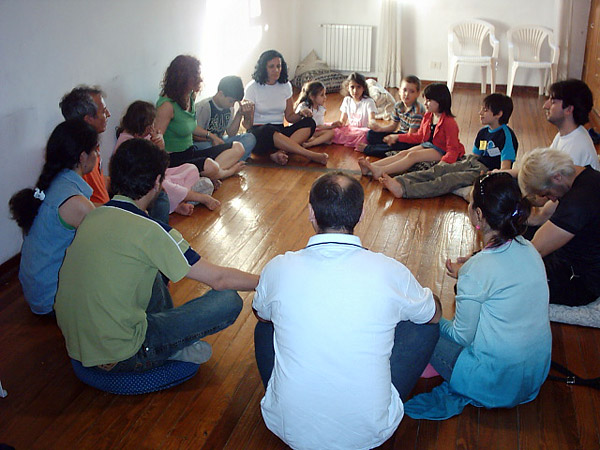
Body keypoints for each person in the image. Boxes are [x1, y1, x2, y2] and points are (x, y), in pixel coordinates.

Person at [253, 172, 441, 449]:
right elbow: (433, 315)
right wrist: (429, 298)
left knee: (265, 324)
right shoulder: (389, 271)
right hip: (371, 432)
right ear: (361, 214)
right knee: (424, 326)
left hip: (287, 427)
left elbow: (261, 314)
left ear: (311, 214)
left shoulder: (279, 267)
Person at [54, 138, 259, 372]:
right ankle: (171, 348)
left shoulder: (93, 215)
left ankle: (168, 339)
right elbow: (219, 279)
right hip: (122, 355)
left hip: (77, 344)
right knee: (228, 300)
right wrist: (264, 280)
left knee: (147, 268)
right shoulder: (153, 231)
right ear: (158, 182)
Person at [405, 173, 551, 420]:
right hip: (533, 375)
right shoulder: (529, 249)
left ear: (479, 215)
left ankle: (459, 376)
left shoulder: (478, 269)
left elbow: (461, 336)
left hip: (495, 382)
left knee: (419, 324)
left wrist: (432, 313)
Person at [9, 120, 98, 315]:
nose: (97, 155)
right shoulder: (76, 203)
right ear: (83, 157)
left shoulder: (54, 183)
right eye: (95, 150)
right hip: (51, 299)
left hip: (37, 291)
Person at [380, 93, 517, 199]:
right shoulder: (483, 132)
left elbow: (504, 169)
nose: (480, 113)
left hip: (485, 171)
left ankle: (404, 190)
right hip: (472, 162)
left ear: (499, 114)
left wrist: (488, 176)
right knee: (437, 170)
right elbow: (476, 155)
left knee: (447, 180)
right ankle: (398, 181)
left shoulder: (506, 136)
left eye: (485, 110)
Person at [518, 147, 600, 306]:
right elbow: (539, 217)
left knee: (505, 288)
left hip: (583, 280)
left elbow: (535, 250)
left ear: (556, 177)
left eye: (546, 193)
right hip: (575, 253)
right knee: (520, 234)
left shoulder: (578, 202)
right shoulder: (584, 175)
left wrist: (483, 266)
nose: (550, 199)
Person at [115, 101, 220, 215]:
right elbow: (149, 172)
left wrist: (161, 146)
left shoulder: (146, 135)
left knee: (191, 169)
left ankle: (176, 203)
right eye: (149, 126)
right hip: (146, 180)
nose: (152, 129)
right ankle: (200, 197)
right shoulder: (126, 143)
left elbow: (164, 164)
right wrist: (156, 150)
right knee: (163, 185)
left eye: (152, 125)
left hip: (162, 173)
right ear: (139, 125)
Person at [155, 55, 245, 181]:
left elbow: (190, 126)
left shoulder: (190, 96)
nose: (200, 79)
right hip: (174, 159)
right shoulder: (167, 106)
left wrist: (211, 136)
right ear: (182, 78)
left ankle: (207, 177)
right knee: (211, 166)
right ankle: (225, 173)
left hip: (190, 152)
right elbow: (155, 141)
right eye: (195, 76)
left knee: (238, 147)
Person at [359, 83, 465, 179]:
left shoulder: (450, 122)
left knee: (412, 156)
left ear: (440, 101)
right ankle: (370, 167)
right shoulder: (429, 116)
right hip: (429, 145)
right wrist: (397, 137)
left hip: (442, 150)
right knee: (404, 153)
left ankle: (381, 171)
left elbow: (452, 149)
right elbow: (419, 136)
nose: (425, 103)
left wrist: (444, 163)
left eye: (429, 100)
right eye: (425, 100)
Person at [242, 49, 328, 165]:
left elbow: (290, 117)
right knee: (268, 129)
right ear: (263, 68)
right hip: (260, 132)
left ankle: (280, 152)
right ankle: (309, 154)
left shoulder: (285, 86)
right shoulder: (252, 88)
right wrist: (244, 113)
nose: (276, 70)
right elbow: (247, 125)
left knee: (309, 122)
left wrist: (301, 114)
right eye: (271, 67)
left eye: (279, 66)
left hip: (279, 131)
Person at [59, 86, 111, 204]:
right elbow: (84, 205)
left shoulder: (92, 146)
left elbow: (100, 185)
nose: (108, 114)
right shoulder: (81, 157)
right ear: (88, 120)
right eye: (103, 111)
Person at [357, 74, 426, 157]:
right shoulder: (398, 106)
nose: (407, 94)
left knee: (397, 145)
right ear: (399, 91)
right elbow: (393, 126)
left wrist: (395, 137)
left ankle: (371, 149)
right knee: (371, 134)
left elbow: (410, 136)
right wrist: (380, 129)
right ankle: (381, 147)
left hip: (411, 140)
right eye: (404, 90)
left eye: (412, 91)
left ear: (418, 94)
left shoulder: (417, 111)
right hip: (401, 134)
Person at [195, 75, 257, 160]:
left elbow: (231, 134)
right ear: (220, 94)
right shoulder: (205, 107)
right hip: (205, 143)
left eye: (234, 102)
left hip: (220, 142)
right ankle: (228, 160)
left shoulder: (229, 108)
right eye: (231, 101)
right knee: (206, 146)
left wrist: (239, 114)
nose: (232, 105)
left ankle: (227, 161)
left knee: (250, 138)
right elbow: (194, 135)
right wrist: (213, 139)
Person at [293, 81, 338, 148]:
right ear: (312, 97)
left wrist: (332, 126)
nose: (325, 97)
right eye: (322, 95)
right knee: (327, 137)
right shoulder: (304, 107)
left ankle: (312, 141)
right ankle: (312, 143)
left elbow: (319, 126)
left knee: (331, 133)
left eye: (325, 94)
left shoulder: (320, 108)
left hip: (313, 131)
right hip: (301, 132)